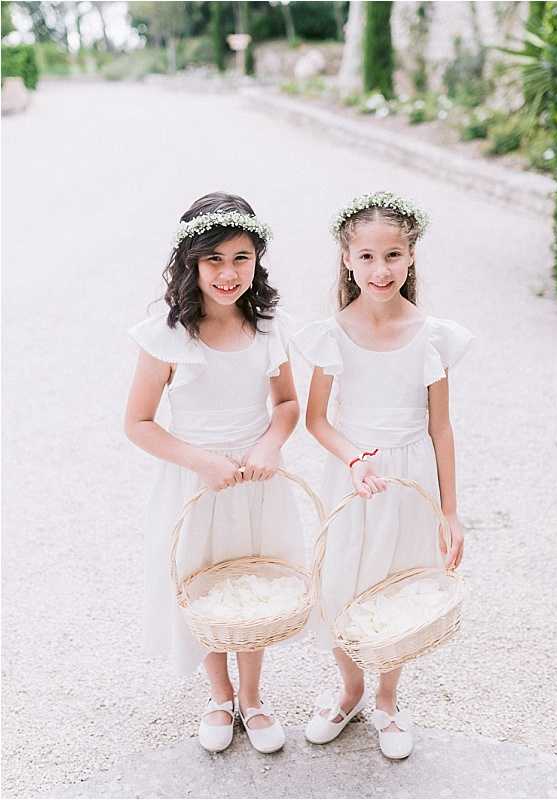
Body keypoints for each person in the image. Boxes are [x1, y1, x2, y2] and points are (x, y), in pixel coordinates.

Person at [293, 191, 474, 759]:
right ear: (347, 260)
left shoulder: (432, 335)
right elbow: (316, 419)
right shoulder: (332, 333)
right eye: (367, 257)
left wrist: (450, 511)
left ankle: (388, 699)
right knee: (344, 579)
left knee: (398, 582)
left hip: (410, 476)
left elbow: (440, 428)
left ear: (412, 255)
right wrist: (353, 456)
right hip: (353, 475)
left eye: (393, 255)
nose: (381, 269)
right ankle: (349, 689)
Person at [125, 192, 304, 755]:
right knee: (202, 583)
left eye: (241, 258)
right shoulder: (167, 336)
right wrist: (202, 461)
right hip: (196, 482)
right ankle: (219, 695)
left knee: (254, 585)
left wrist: (271, 445)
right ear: (190, 263)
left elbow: (286, 405)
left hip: (255, 478)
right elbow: (138, 422)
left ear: (258, 261)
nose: (228, 274)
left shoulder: (269, 326)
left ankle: (253, 696)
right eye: (213, 260)